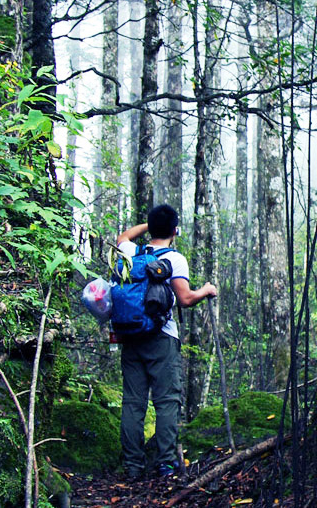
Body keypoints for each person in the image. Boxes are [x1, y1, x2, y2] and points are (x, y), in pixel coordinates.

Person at [114, 204, 218, 479]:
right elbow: (184, 299)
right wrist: (205, 290)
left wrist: (149, 225)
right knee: (167, 401)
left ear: (150, 227)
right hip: (162, 337)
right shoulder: (175, 258)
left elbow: (123, 237)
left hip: (131, 335)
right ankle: (166, 464)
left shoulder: (131, 252)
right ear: (174, 230)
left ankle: (133, 467)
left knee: (133, 402)